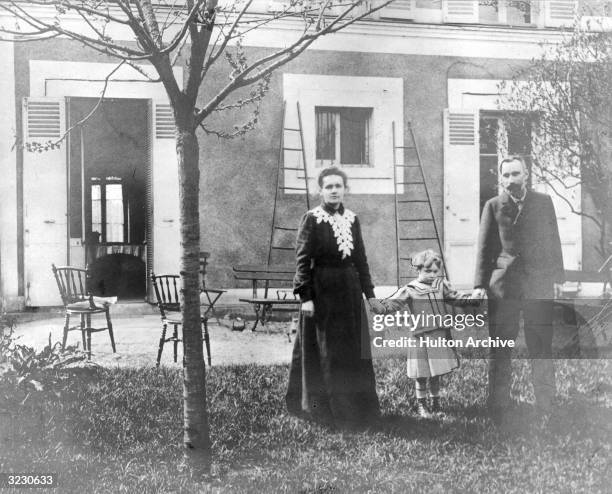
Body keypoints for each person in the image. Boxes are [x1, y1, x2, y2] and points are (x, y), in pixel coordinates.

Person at [286, 166, 384, 428]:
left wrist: (370, 294)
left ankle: (357, 407)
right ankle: (326, 410)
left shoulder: (353, 219)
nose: (333, 191)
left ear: (345, 189)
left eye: (338, 186)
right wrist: (305, 297)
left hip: (349, 293)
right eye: (328, 186)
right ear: (320, 190)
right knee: (328, 350)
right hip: (322, 293)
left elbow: (360, 259)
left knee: (351, 350)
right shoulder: (312, 218)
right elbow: (303, 261)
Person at [472, 156, 564, 423]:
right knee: (501, 347)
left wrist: (557, 278)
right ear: (501, 178)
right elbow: (484, 247)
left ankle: (546, 406)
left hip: (538, 284)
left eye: (516, 174)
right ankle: (499, 407)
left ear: (526, 175)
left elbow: (553, 240)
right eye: (506, 175)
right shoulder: (492, 206)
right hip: (504, 288)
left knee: (541, 345)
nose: (511, 180)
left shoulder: (543, 202)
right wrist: (479, 284)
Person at [378, 249, 476, 418]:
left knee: (436, 371)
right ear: (418, 270)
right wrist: (382, 308)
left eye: (435, 271)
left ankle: (436, 403)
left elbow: (455, 297)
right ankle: (422, 405)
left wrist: (472, 298)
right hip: (420, 337)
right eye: (427, 271)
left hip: (438, 335)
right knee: (421, 373)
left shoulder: (441, 285)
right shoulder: (410, 289)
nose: (432, 275)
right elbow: (393, 303)